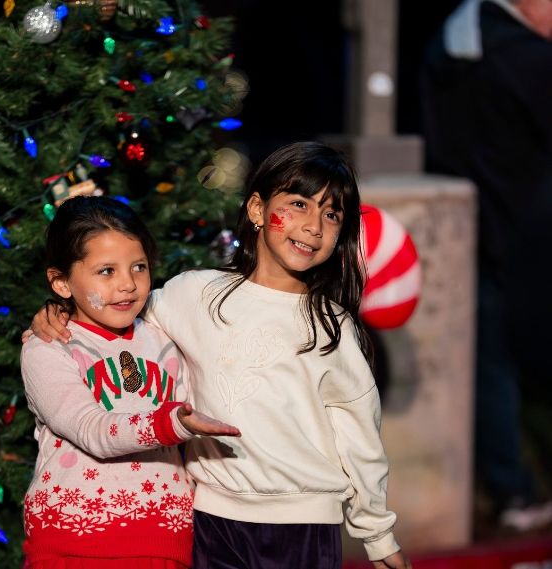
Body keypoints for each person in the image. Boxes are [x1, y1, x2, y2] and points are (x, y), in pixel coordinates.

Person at [26, 142, 412, 569]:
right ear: (257, 210)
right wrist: (57, 312)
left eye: (332, 213)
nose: (314, 225)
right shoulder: (195, 293)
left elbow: (360, 439)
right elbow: (116, 308)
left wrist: (376, 535)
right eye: (299, 204)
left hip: (305, 526)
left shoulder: (334, 328)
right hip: (213, 522)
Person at [21, 196, 241, 569]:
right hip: (72, 542)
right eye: (106, 271)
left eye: (138, 267)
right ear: (61, 282)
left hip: (164, 539)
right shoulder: (49, 347)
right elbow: (92, 430)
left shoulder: (165, 335)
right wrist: (170, 423)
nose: (128, 284)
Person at [420, 0, 552, 532]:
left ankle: (511, 491)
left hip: (472, 229)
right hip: (528, 233)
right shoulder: (529, 58)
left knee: (489, 362)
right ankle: (515, 490)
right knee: (503, 365)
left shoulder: (448, 42)